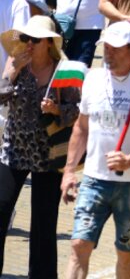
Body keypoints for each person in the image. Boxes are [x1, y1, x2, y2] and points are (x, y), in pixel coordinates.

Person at [62, 22, 130, 279]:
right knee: (79, 245)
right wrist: (69, 171)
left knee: (125, 250)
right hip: (94, 180)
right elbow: (81, 128)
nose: (108, 54)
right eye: (106, 48)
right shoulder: (93, 79)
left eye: (115, 49)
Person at [0, 16, 80, 278]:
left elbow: (77, 113)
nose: (28, 44)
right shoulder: (16, 64)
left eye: (34, 39)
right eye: (25, 38)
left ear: (48, 43)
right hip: (13, 151)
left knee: (44, 227)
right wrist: (11, 73)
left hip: (48, 156)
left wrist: (57, 108)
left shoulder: (63, 70)